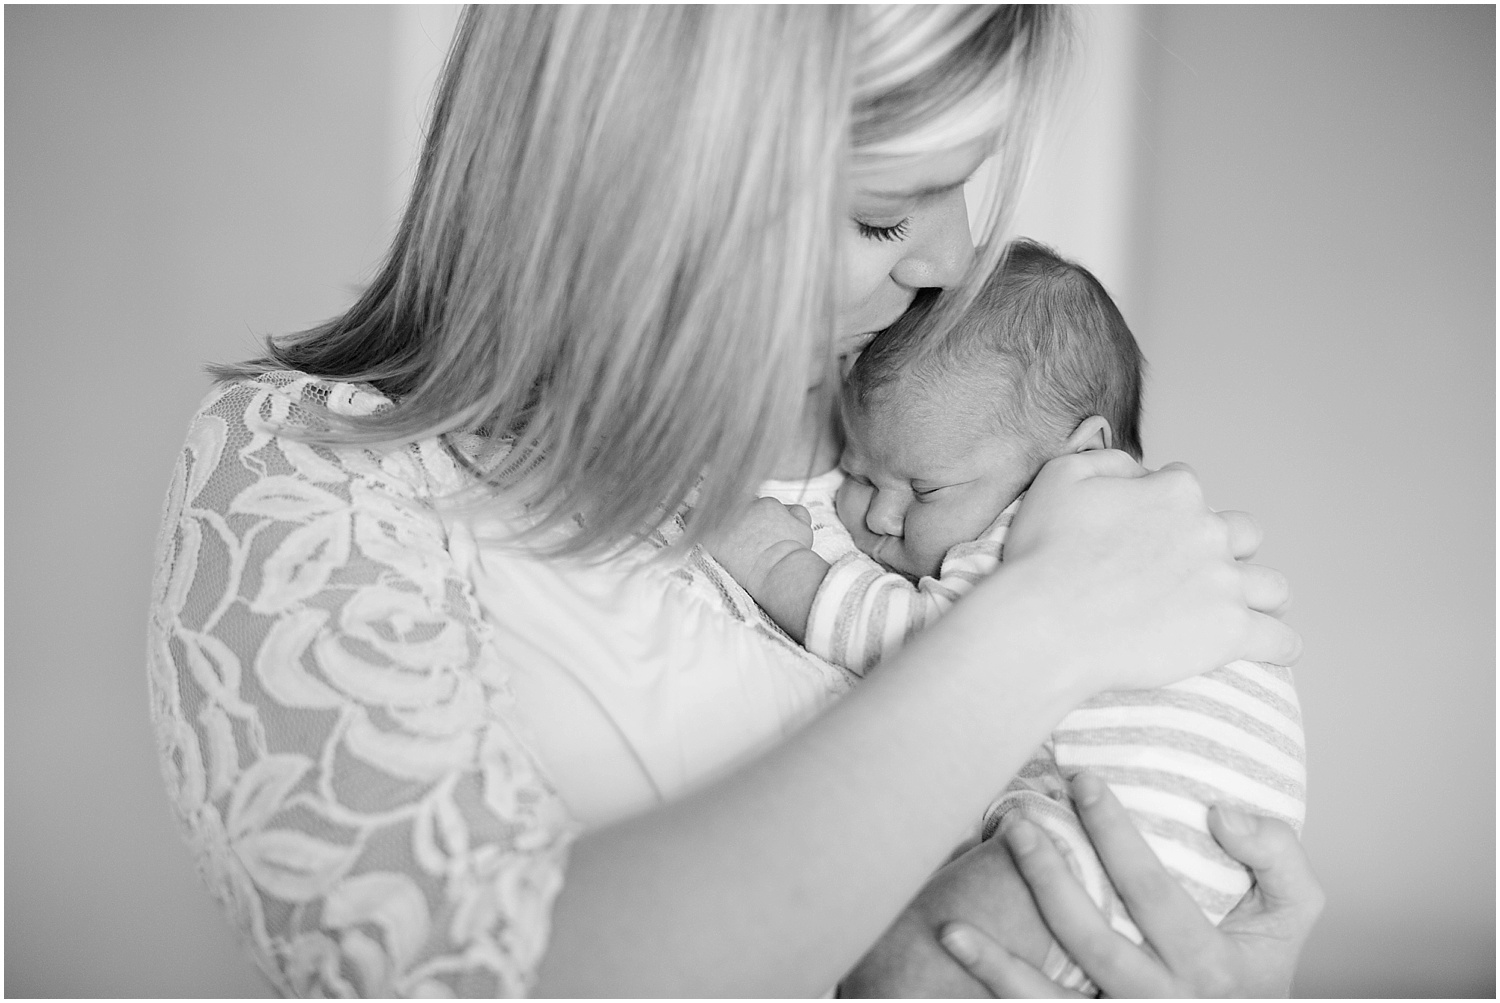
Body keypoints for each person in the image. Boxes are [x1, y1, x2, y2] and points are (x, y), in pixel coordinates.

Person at [146, 6, 1319, 997]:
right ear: (649, 184)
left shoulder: (904, 445)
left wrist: (1193, 942)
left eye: (958, 190)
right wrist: (1038, 628)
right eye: (881, 212)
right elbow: (456, 967)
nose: (954, 260)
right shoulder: (314, 473)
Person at [709, 238, 1307, 995]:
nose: (880, 516)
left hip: (1120, 834)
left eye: (924, 491)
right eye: (861, 475)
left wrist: (782, 568)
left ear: (1078, 449)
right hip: (1195, 856)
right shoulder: (1112, 518)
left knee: (905, 971)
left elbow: (930, 653)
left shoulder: (1050, 528)